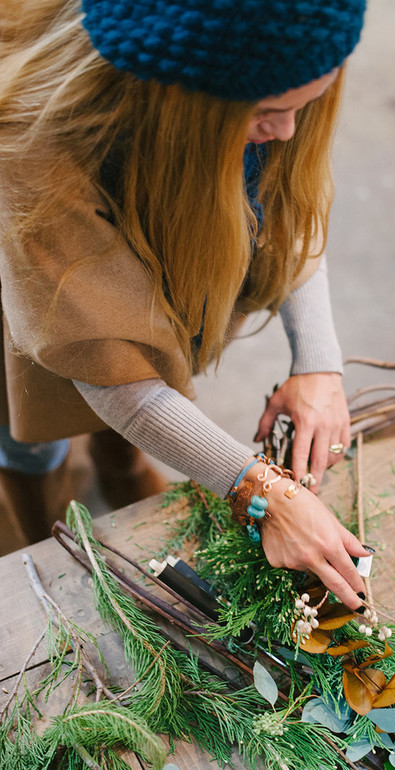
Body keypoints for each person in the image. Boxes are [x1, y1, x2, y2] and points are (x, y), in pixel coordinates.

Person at [0, 0, 370, 609]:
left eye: (306, 105)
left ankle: (120, 464)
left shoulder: (266, 95)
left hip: (121, 304)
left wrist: (319, 363)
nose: (289, 132)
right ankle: (48, 533)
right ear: (172, 103)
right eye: (269, 113)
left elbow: (288, 202)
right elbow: (104, 364)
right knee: (31, 438)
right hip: (37, 299)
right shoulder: (37, 146)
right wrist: (258, 491)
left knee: (142, 366)